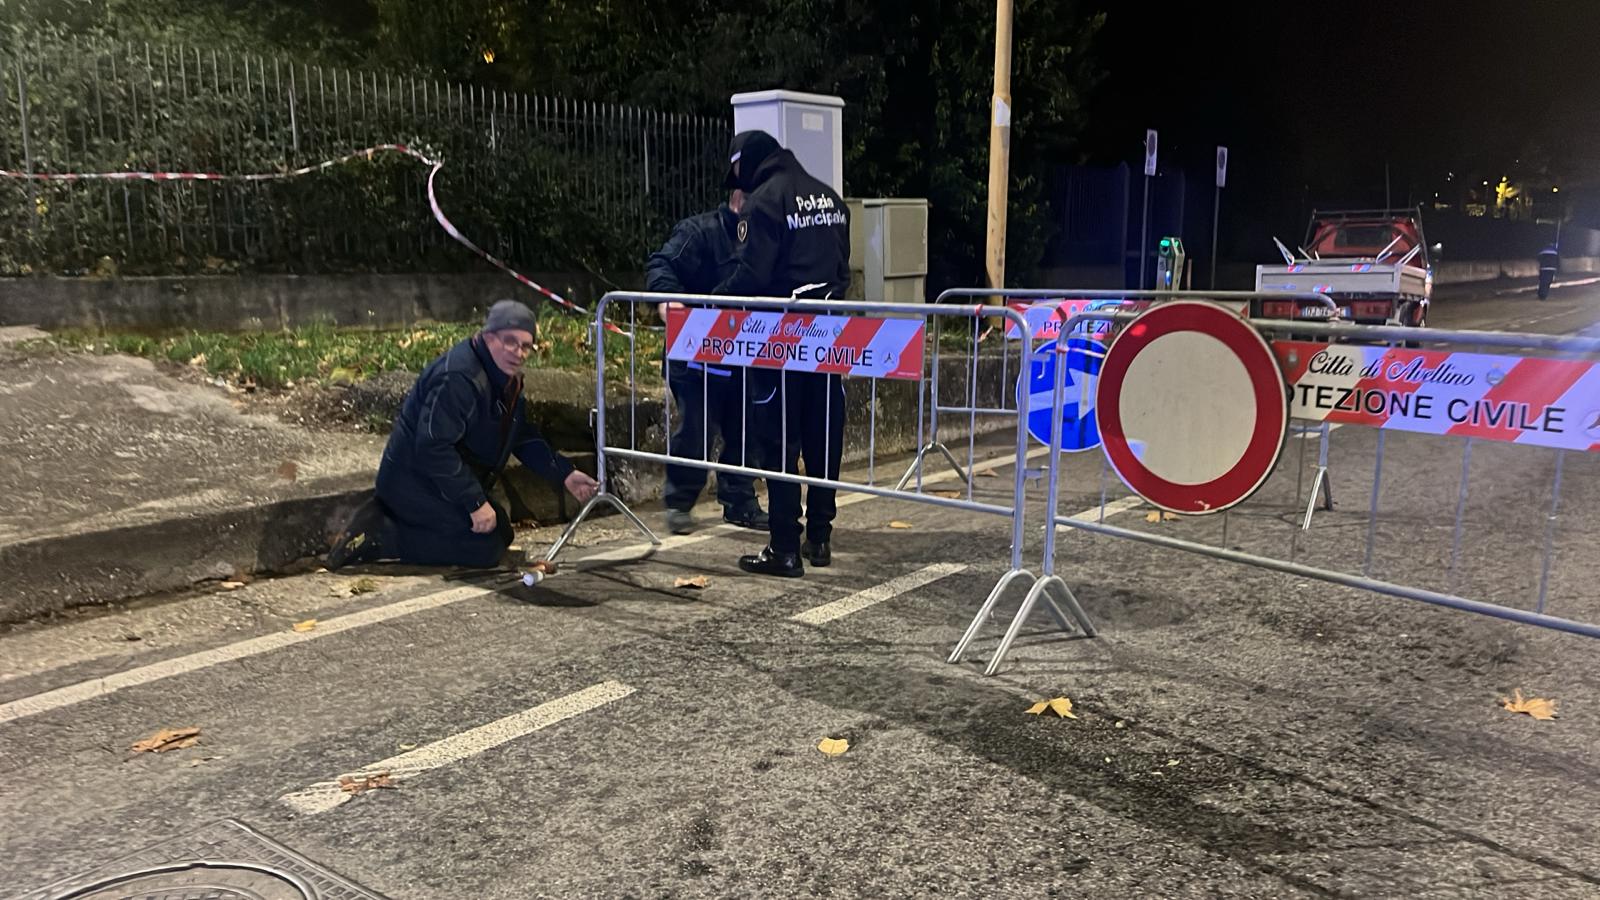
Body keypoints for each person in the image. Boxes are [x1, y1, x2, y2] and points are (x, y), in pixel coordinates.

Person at [327, 299, 599, 569]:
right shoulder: (460, 377)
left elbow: (519, 435)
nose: (519, 352)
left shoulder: (504, 377)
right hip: (413, 482)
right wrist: (474, 501)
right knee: (483, 548)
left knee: (501, 531)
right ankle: (382, 533)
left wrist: (564, 473)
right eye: (510, 341)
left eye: (526, 346)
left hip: (439, 481)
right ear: (488, 336)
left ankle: (399, 524)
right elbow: (432, 446)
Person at [714, 130, 851, 579]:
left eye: (735, 170)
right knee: (823, 437)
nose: (736, 180)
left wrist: (712, 301)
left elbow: (753, 274)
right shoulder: (829, 198)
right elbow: (842, 271)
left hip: (781, 341)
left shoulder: (765, 202)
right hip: (828, 338)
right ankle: (821, 536)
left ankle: (784, 547)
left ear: (748, 161)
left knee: (780, 442)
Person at [646, 190, 770, 536]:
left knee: (747, 429)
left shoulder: (762, 239)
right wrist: (668, 302)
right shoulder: (699, 232)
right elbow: (661, 263)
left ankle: (740, 501)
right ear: (737, 198)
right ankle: (679, 503)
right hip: (694, 355)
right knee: (697, 430)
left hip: (742, 353)